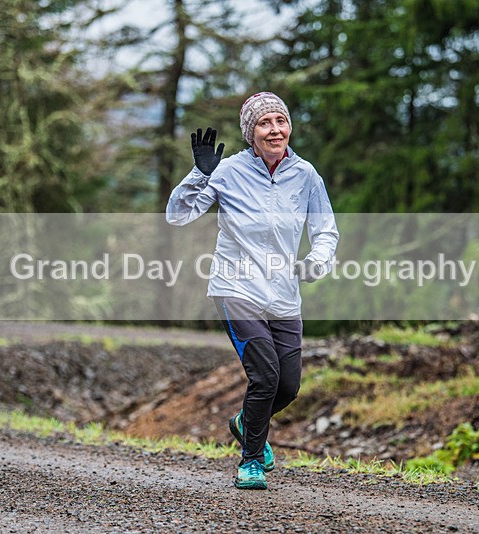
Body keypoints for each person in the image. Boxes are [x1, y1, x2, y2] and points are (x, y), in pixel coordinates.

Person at [166, 92, 339, 490]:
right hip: (235, 287)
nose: (275, 129)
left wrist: (316, 262)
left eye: (281, 121)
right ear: (250, 133)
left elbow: (325, 230)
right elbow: (178, 215)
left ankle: (247, 422)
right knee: (265, 375)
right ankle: (251, 461)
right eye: (264, 123)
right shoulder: (227, 170)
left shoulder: (306, 174)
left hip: (283, 293)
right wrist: (200, 174)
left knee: (288, 387)